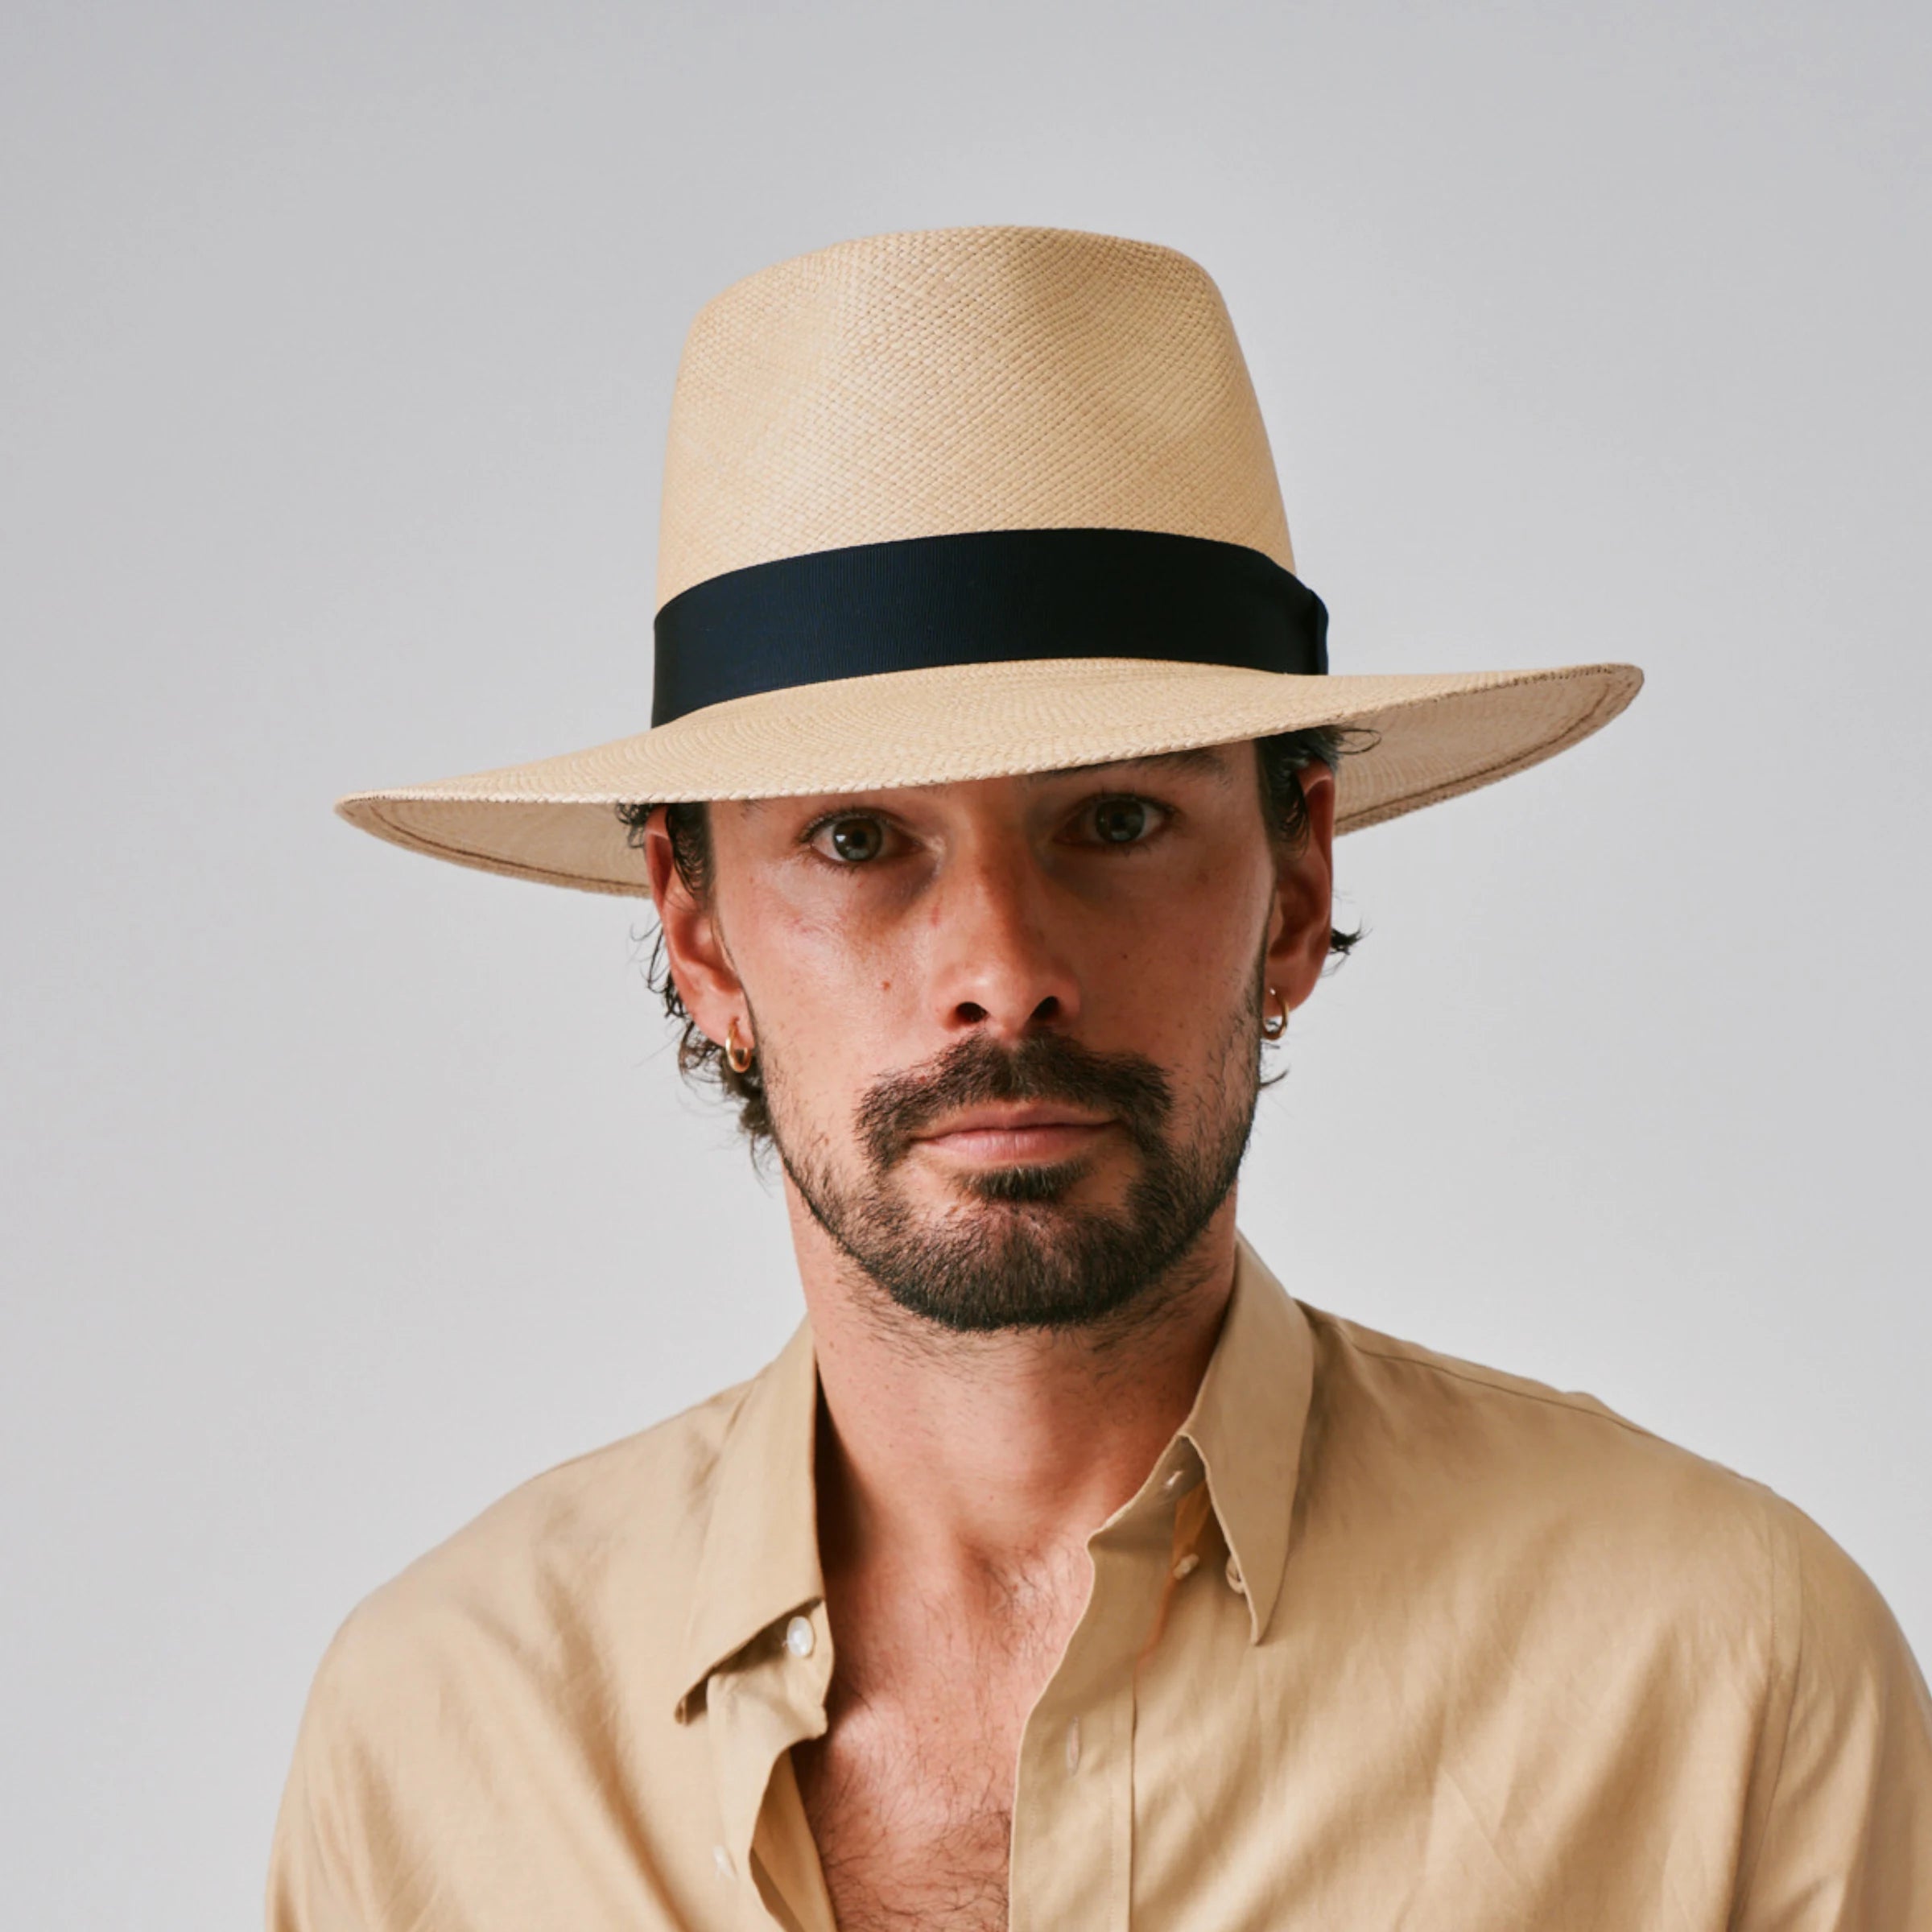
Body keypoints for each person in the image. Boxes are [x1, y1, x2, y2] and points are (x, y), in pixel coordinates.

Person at [278, 226, 1931, 1930]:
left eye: (1119, 820)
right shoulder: (439, 1742)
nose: (1003, 967)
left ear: (1297, 888)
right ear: (699, 939)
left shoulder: (1724, 1680)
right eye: (859, 840)